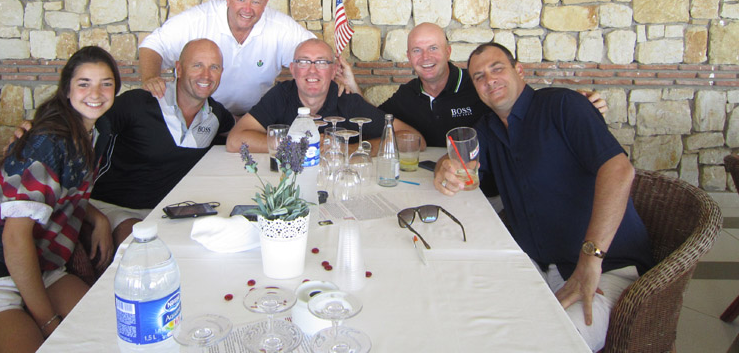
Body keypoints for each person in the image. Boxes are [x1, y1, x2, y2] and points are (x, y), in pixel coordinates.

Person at [433, 42, 653, 351]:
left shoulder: (563, 106)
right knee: (465, 317)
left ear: (519, 70)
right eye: (479, 77)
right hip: (537, 267)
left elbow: (619, 170)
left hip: (605, 270)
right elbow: (461, 164)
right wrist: (445, 167)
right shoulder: (488, 128)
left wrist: (590, 259)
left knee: (553, 344)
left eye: (497, 69)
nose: (489, 80)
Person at [0, 46, 119, 353]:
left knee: (108, 336)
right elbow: (15, 240)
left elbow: (59, 193)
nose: (96, 93)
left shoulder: (94, 132)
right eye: (84, 83)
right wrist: (48, 322)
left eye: (105, 83)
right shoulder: (48, 142)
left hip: (45, 268)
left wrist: (98, 218)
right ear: (67, 89)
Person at [339, 22, 607, 147]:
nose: (426, 57)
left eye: (433, 48)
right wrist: (354, 85)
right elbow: (379, 121)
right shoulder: (408, 93)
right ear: (409, 57)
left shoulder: (479, 84)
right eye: (417, 51)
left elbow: (526, 106)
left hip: (486, 187)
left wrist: (582, 106)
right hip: (432, 180)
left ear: (448, 51)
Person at [91, 38, 234, 246]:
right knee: (140, 245)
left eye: (214, 67)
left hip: (169, 212)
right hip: (115, 208)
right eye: (197, 65)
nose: (206, 75)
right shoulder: (138, 103)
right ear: (179, 69)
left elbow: (243, 130)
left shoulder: (216, 115)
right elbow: (83, 127)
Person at [139, 0, 314, 116]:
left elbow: (316, 53)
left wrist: (330, 83)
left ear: (265, 3)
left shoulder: (280, 26)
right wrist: (150, 78)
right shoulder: (200, 19)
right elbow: (154, 44)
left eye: (255, 2)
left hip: (255, 117)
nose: (247, 9)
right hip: (200, 115)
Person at [227, 39, 421, 153]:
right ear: (293, 69)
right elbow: (235, 140)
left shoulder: (347, 101)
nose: (312, 70)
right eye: (304, 62)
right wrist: (294, 144)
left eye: (321, 62)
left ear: (334, 70)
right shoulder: (281, 95)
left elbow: (414, 139)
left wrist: (351, 149)